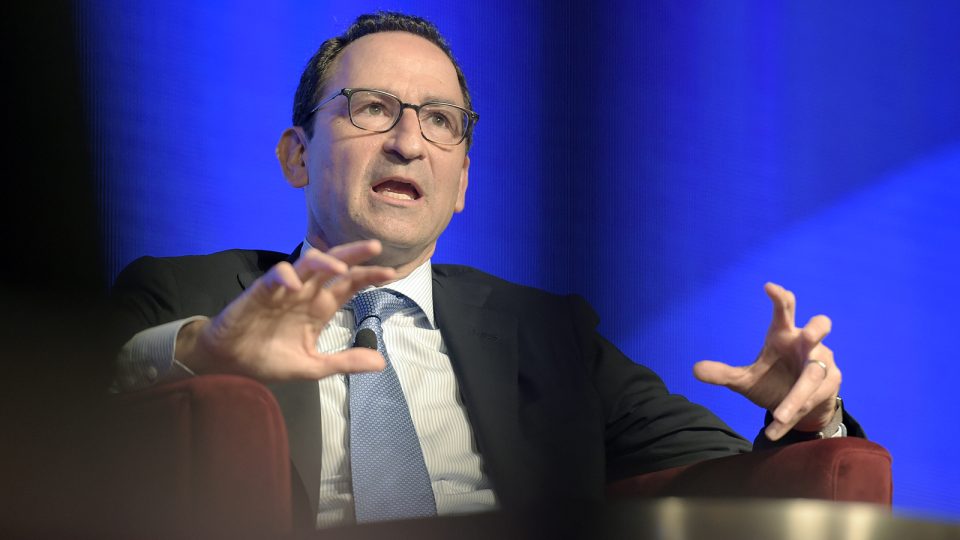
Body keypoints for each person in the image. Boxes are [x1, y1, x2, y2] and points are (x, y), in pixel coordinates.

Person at [110, 11, 859, 530]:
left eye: (440, 120)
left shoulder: (548, 334)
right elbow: (74, 412)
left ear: (462, 182)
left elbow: (729, 475)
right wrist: (203, 351)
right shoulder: (186, 293)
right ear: (296, 155)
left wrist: (808, 417)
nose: (409, 142)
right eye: (372, 107)